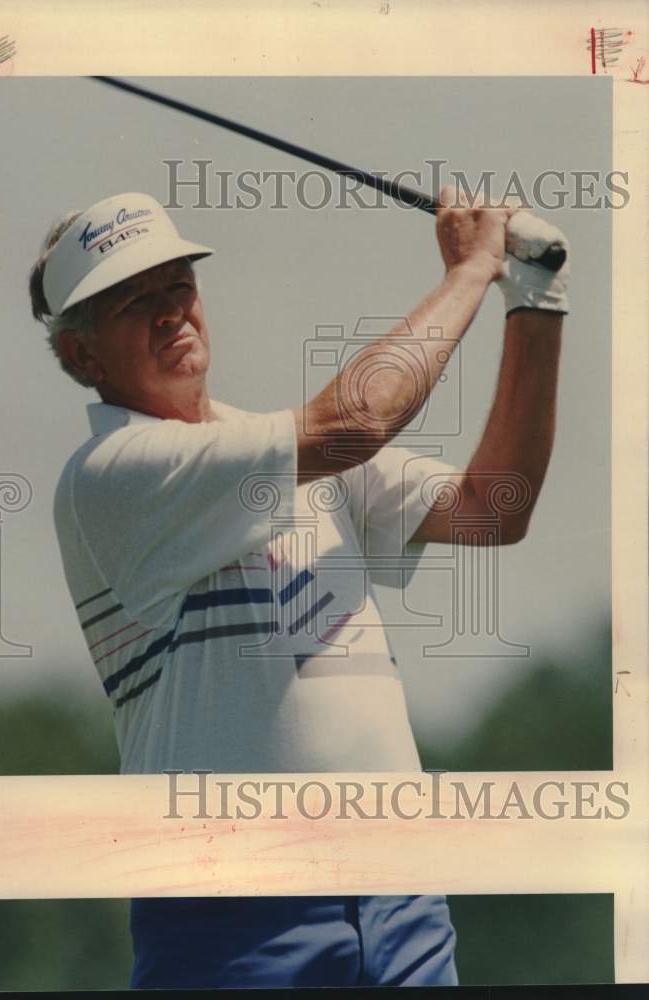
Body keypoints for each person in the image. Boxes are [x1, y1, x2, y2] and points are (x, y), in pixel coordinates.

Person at [29, 189, 568, 988]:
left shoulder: (284, 448)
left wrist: (534, 304)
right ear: (81, 356)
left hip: (399, 889)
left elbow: (496, 508)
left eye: (179, 284)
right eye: (134, 301)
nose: (172, 312)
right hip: (230, 904)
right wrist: (472, 271)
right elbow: (353, 423)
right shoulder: (111, 475)